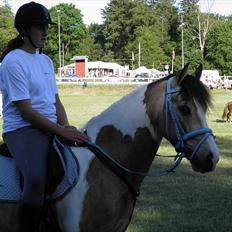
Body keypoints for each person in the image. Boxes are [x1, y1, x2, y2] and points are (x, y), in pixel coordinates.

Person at [0, 2, 88, 231]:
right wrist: (61, 131)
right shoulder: (12, 61)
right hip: (22, 130)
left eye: (46, 27)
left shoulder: (46, 60)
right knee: (37, 179)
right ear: (24, 30)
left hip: (50, 127)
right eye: (40, 27)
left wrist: (67, 125)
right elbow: (26, 110)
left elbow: (55, 101)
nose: (45, 32)